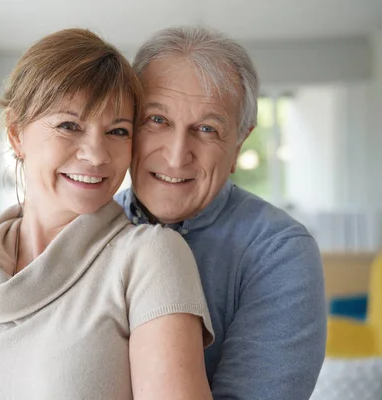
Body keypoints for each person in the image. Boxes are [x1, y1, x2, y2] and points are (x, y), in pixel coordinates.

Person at [0, 28, 214, 400]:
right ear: (16, 134)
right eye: (69, 126)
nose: (96, 154)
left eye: (117, 131)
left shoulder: (149, 259)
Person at [115, 26, 327, 399]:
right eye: (157, 120)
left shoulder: (279, 252)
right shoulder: (86, 227)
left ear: (239, 143)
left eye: (207, 128)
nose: (177, 155)